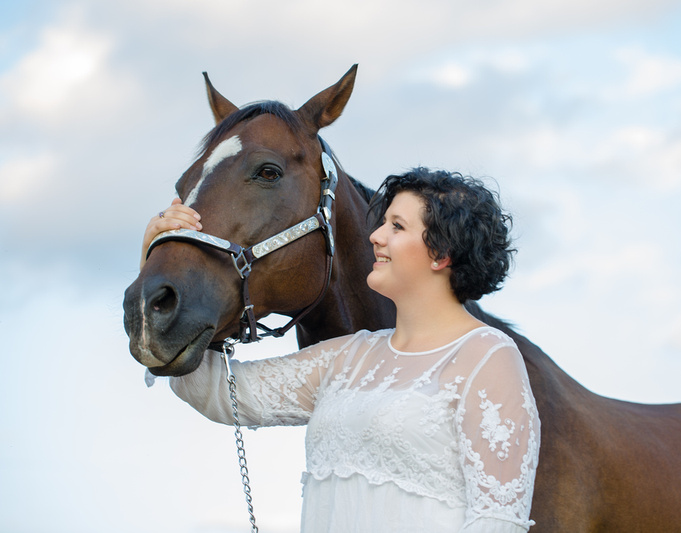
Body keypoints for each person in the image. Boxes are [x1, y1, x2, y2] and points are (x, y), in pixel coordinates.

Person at [141, 167, 541, 533]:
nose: (375, 237)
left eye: (396, 226)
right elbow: (217, 391)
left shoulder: (487, 356)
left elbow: (497, 521)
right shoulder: (348, 357)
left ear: (442, 253)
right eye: (382, 223)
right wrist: (158, 260)